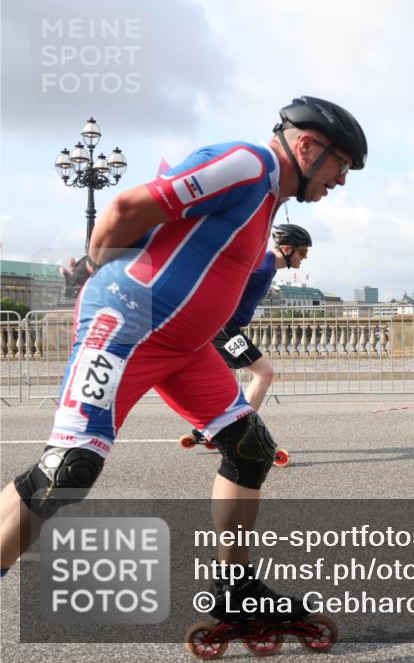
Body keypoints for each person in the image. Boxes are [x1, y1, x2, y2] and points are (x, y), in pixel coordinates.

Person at [0, 96, 366, 622]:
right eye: (341, 164)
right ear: (307, 144)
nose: (342, 180)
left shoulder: (268, 201)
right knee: (67, 472)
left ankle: (234, 591)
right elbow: (129, 207)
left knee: (251, 448)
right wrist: (93, 269)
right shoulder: (249, 163)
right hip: (125, 326)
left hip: (184, 348)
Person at [212, 223, 312, 411]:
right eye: (303, 252)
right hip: (225, 328)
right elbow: (222, 284)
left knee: (228, 379)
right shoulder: (263, 267)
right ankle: (241, 429)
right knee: (264, 373)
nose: (304, 258)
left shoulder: (268, 265)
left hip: (222, 327)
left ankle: (217, 424)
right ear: (287, 249)